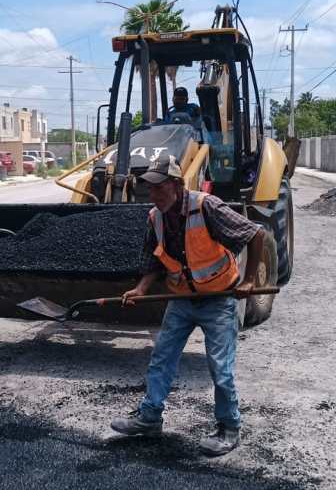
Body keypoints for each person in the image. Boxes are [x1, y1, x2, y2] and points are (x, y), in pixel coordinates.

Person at [110, 153, 265, 457]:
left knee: (220, 367)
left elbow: (255, 233)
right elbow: (153, 258)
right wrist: (141, 288)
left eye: (158, 188)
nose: (152, 194)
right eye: (150, 188)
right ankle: (150, 417)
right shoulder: (155, 217)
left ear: (177, 185)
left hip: (219, 299)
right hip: (181, 299)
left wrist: (249, 281)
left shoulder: (206, 206)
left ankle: (229, 428)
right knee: (162, 357)